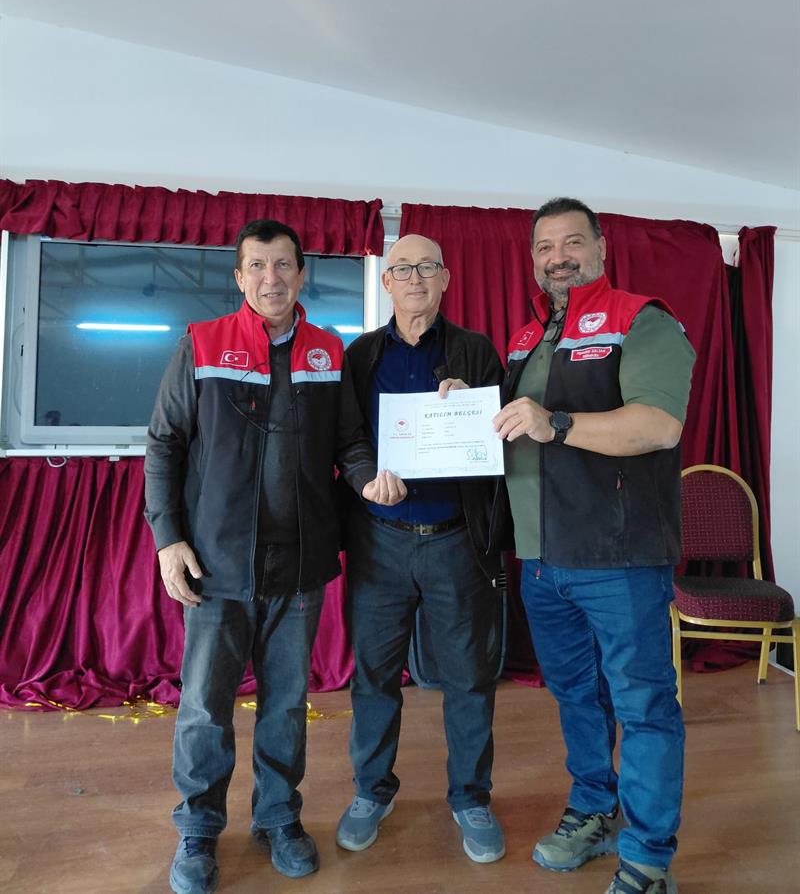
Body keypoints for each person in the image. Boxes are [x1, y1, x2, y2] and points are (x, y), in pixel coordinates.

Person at [144, 219, 405, 894]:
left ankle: (279, 818)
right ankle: (199, 829)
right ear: (239, 277)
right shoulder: (202, 343)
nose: (271, 278)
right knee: (205, 708)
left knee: (287, 705)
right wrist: (169, 539)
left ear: (301, 274)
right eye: (257, 266)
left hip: (299, 568)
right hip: (216, 566)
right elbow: (164, 444)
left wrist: (368, 477)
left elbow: (349, 444)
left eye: (283, 265)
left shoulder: (327, 350)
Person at [494, 197, 695, 894]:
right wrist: (462, 404)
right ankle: (593, 810)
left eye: (573, 242)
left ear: (602, 249)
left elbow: (658, 425)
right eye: (545, 247)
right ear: (533, 259)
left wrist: (556, 422)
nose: (559, 258)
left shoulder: (642, 319)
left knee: (643, 706)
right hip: (541, 559)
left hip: (620, 558)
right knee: (577, 697)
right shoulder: (526, 337)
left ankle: (648, 859)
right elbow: (511, 428)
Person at [336, 233, 511, 865]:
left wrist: (474, 410)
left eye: (427, 267)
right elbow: (347, 439)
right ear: (386, 282)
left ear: (445, 279)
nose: (415, 277)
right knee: (375, 677)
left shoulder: (476, 350)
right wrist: (365, 478)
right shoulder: (360, 354)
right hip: (379, 543)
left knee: (469, 678)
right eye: (403, 268)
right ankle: (371, 790)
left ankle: (471, 797)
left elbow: (504, 436)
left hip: (456, 542)